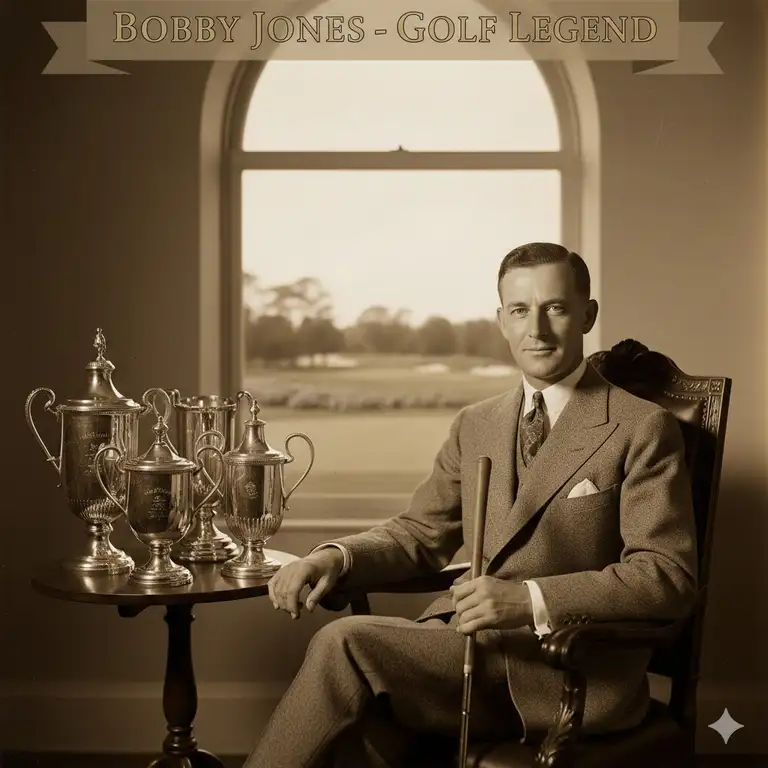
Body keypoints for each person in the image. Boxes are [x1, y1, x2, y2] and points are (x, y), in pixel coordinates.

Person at [243, 242, 698, 768]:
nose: (538, 330)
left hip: (564, 673)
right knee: (358, 715)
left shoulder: (641, 426)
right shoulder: (476, 422)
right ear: (501, 319)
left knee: (344, 643)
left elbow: (666, 576)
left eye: (555, 308)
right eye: (521, 311)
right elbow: (420, 532)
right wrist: (336, 557)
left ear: (588, 314)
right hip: (461, 653)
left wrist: (527, 600)